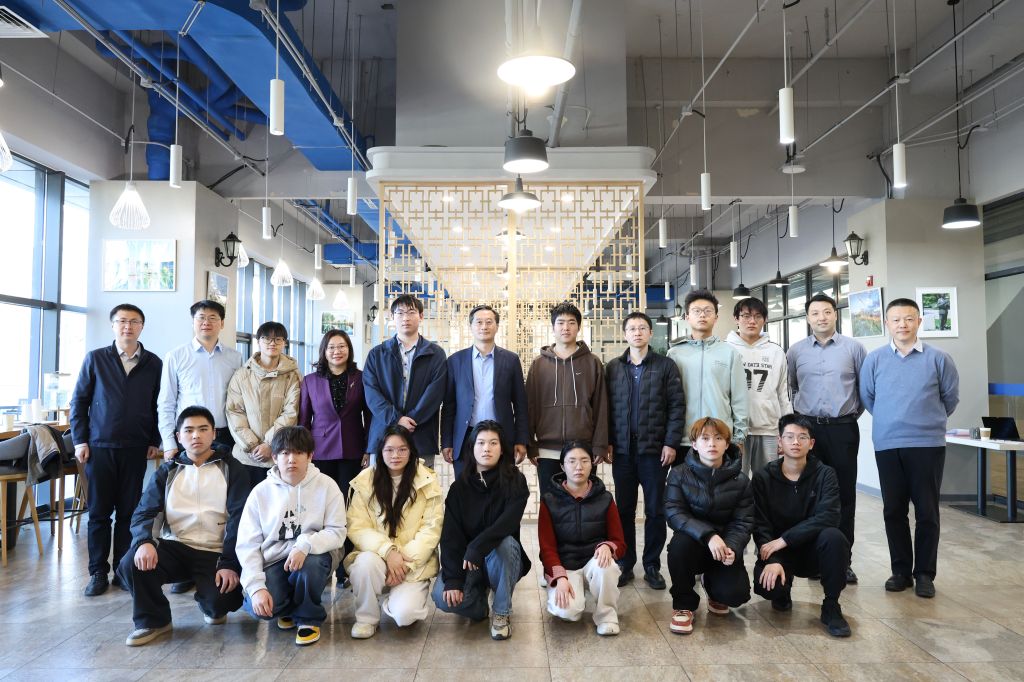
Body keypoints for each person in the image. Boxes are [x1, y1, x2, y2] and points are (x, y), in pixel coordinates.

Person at [116, 406, 247, 646]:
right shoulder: (167, 471)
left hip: (215, 551)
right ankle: (154, 620)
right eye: (189, 430)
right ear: (178, 436)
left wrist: (230, 563)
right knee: (132, 561)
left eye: (203, 429)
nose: (196, 435)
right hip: (175, 546)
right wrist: (144, 541)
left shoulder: (233, 468)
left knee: (222, 602)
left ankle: (210, 601)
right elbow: (145, 511)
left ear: (214, 433)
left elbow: (240, 519)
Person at [860, 298, 959, 599]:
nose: (902, 324)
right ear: (887, 324)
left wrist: (926, 421)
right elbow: (868, 398)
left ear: (919, 321)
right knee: (893, 509)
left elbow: (950, 398)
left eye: (908, 319)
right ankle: (900, 571)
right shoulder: (875, 359)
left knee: (927, 511)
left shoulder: (939, 358)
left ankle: (925, 574)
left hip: (927, 444)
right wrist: (892, 419)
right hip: (888, 444)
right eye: (896, 319)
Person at [70, 304, 163, 597]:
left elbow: (158, 406)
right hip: (100, 447)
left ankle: (123, 570)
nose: (128, 326)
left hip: (136, 448)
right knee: (99, 513)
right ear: (113, 325)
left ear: (142, 326)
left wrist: (154, 439)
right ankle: (97, 572)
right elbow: (79, 402)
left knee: (129, 512)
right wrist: (80, 441)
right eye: (122, 321)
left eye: (134, 321)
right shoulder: (96, 358)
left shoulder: (153, 363)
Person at [157, 300, 244, 595]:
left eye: (213, 318)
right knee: (186, 499)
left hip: (225, 435)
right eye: (201, 317)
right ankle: (185, 566)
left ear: (222, 323)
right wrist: (170, 443)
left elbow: (239, 400)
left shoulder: (234, 357)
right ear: (193, 322)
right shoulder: (176, 356)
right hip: (189, 436)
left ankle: (219, 560)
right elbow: (166, 402)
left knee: (221, 500)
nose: (206, 322)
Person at [236, 426, 347, 647]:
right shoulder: (260, 492)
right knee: (260, 608)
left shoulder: (327, 485)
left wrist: (305, 545)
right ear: (274, 457)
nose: (291, 459)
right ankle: (288, 608)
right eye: (285, 453)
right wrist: (256, 587)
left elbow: (337, 531)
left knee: (310, 565)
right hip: (275, 559)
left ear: (310, 456)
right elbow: (247, 544)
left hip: (316, 554)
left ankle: (308, 617)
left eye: (298, 452)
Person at [786, 293, 866, 584]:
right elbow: (792, 386)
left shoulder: (854, 348)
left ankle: (842, 561)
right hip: (807, 430)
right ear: (808, 318)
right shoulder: (796, 351)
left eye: (827, 311)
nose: (821, 317)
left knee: (844, 495)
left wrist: (848, 416)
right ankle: (812, 559)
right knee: (808, 494)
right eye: (815, 313)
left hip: (843, 429)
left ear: (835, 314)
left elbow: (864, 390)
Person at [605, 311, 685, 590]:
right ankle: (625, 563)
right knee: (624, 510)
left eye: (642, 328)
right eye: (632, 328)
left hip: (655, 452)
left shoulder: (666, 366)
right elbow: (606, 409)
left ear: (650, 333)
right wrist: (607, 442)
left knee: (655, 510)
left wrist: (671, 442)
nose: (637, 333)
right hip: (623, 452)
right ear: (625, 334)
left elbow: (677, 406)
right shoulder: (613, 368)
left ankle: (652, 565)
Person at [752, 414, 851, 638]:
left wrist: (785, 539)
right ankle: (783, 589)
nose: (795, 442)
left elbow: (829, 516)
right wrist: (773, 559)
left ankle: (831, 605)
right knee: (770, 588)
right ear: (780, 442)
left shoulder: (825, 474)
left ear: (811, 443)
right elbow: (760, 524)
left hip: (812, 552)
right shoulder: (762, 477)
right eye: (789, 437)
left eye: (802, 437)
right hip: (780, 553)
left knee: (835, 537)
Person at [433, 420, 531, 640]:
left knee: (505, 543)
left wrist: (477, 547)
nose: (487, 448)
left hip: (501, 561)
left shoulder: (515, 481)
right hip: (470, 564)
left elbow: (507, 523)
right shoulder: (459, 488)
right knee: (442, 597)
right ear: (472, 447)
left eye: (493, 443)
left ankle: (501, 612)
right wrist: (454, 580)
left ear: (502, 449)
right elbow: (450, 537)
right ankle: (479, 604)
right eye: (481, 443)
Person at [345, 425, 442, 639]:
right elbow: (357, 526)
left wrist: (403, 564)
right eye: (389, 450)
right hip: (377, 556)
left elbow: (431, 529)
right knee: (364, 564)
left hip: (412, 563)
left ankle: (394, 598)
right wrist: (388, 552)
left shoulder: (427, 480)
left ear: (411, 451)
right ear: (380, 452)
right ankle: (366, 618)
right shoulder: (365, 480)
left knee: (405, 615)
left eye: (402, 449)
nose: (395, 455)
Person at [664, 417, 753, 635]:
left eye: (718, 438)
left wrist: (732, 547)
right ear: (694, 444)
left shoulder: (741, 480)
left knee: (735, 595)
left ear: (727, 444)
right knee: (678, 546)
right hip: (693, 543)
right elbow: (674, 513)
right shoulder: (679, 474)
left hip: (724, 548)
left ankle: (712, 586)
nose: (712, 444)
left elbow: (743, 521)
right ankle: (683, 604)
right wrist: (709, 535)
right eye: (705, 438)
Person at [539, 441, 624, 636]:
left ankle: (607, 616)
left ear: (592, 464)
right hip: (566, 565)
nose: (579, 466)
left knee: (608, 567)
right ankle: (575, 591)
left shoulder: (605, 498)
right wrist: (559, 577)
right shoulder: (549, 500)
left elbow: (619, 541)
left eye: (584, 460)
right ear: (562, 466)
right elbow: (547, 548)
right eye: (572, 461)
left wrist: (608, 546)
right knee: (567, 612)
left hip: (593, 562)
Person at [526, 302, 609, 500]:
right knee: (550, 503)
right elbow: (530, 407)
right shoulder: (539, 364)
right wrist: (530, 445)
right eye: (561, 323)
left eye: (571, 323)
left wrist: (600, 445)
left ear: (578, 327)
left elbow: (601, 406)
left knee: (583, 502)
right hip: (547, 450)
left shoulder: (592, 362)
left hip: (583, 450)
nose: (566, 327)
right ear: (553, 327)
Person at [441, 304, 529, 476]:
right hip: (465, 436)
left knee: (501, 487)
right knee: (465, 487)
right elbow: (449, 406)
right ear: (471, 326)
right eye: (479, 322)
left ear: (497, 326)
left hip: (501, 436)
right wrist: (447, 442)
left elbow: (520, 404)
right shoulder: (455, 361)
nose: (484, 326)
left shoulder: (511, 360)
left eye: (489, 322)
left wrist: (521, 439)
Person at [363, 294, 447, 468]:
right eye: (400, 313)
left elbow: (435, 394)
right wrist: (397, 420)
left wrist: (410, 421)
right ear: (392, 317)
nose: (405, 318)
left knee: (422, 484)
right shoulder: (377, 354)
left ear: (421, 316)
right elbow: (372, 394)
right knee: (381, 484)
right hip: (384, 435)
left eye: (411, 312)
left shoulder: (436, 354)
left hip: (420, 435)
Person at [667, 289, 748, 452]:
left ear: (716, 317)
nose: (702, 315)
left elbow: (739, 398)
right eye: (696, 311)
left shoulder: (729, 353)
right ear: (687, 317)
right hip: (684, 438)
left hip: (718, 438)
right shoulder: (674, 354)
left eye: (708, 311)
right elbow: (667, 399)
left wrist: (739, 436)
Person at [226, 321, 302, 493]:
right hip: (246, 457)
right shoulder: (242, 375)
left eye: (278, 339)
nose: (272, 343)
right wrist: (252, 445)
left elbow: (291, 412)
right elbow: (234, 412)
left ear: (284, 343)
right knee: (245, 504)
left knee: (279, 504)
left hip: (280, 455)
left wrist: (269, 444)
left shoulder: (292, 375)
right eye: (267, 339)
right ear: (258, 341)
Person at [299, 329, 372, 499]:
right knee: (321, 498)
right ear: (324, 351)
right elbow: (304, 420)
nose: (336, 351)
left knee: (349, 497)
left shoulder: (361, 378)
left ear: (349, 349)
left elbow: (369, 417)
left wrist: (368, 448)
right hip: (320, 449)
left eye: (341, 346)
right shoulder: (310, 380)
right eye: (331, 347)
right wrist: (304, 450)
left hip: (353, 447)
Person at [727, 297, 792, 476]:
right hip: (734, 431)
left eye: (757, 316)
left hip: (769, 429)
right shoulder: (726, 349)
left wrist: (787, 431)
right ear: (736, 318)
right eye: (746, 316)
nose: (752, 321)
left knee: (768, 482)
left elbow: (783, 394)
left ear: (765, 319)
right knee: (734, 481)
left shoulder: (776, 352)